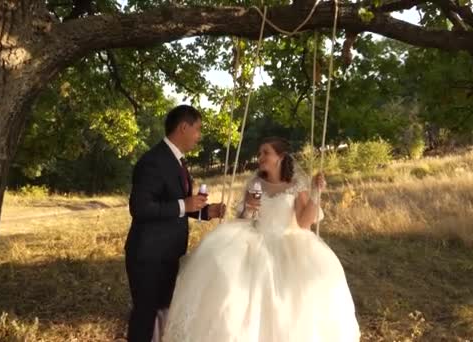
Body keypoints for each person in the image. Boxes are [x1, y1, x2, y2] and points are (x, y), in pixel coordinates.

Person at [162, 136, 360, 342]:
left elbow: (303, 223)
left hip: (289, 244)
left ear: (280, 157)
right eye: (259, 153)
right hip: (255, 240)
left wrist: (315, 193)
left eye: (266, 152)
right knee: (232, 285)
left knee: (292, 300)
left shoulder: (295, 186)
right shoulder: (255, 183)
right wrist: (249, 209)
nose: (260, 157)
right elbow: (245, 218)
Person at [124, 104, 226, 342]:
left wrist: (205, 211)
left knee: (163, 313)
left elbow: (176, 203)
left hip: (168, 255)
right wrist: (185, 205)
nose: (199, 136)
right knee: (145, 316)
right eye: (197, 129)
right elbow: (140, 208)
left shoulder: (178, 162)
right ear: (183, 127)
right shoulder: (152, 161)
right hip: (148, 256)